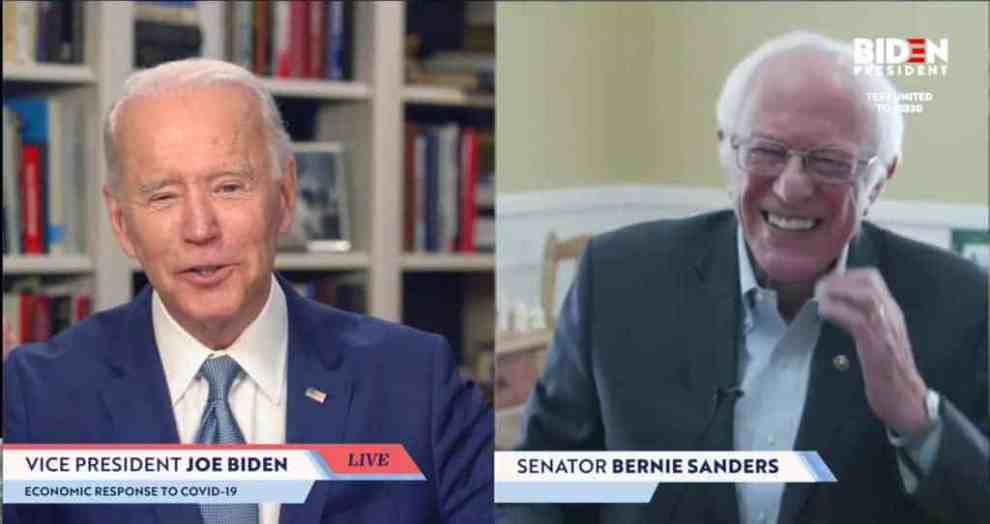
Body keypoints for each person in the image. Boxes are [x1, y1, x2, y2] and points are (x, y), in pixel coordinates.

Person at [498, 31, 988, 524]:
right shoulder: (619, 276)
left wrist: (917, 418)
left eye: (830, 162)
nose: (792, 186)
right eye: (767, 151)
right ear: (726, 154)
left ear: (880, 179)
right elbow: (542, 484)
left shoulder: (961, 304)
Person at [3, 58, 493, 524]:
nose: (199, 228)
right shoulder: (43, 393)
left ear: (284, 197)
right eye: (164, 196)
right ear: (122, 224)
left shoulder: (415, 381)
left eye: (228, 187)